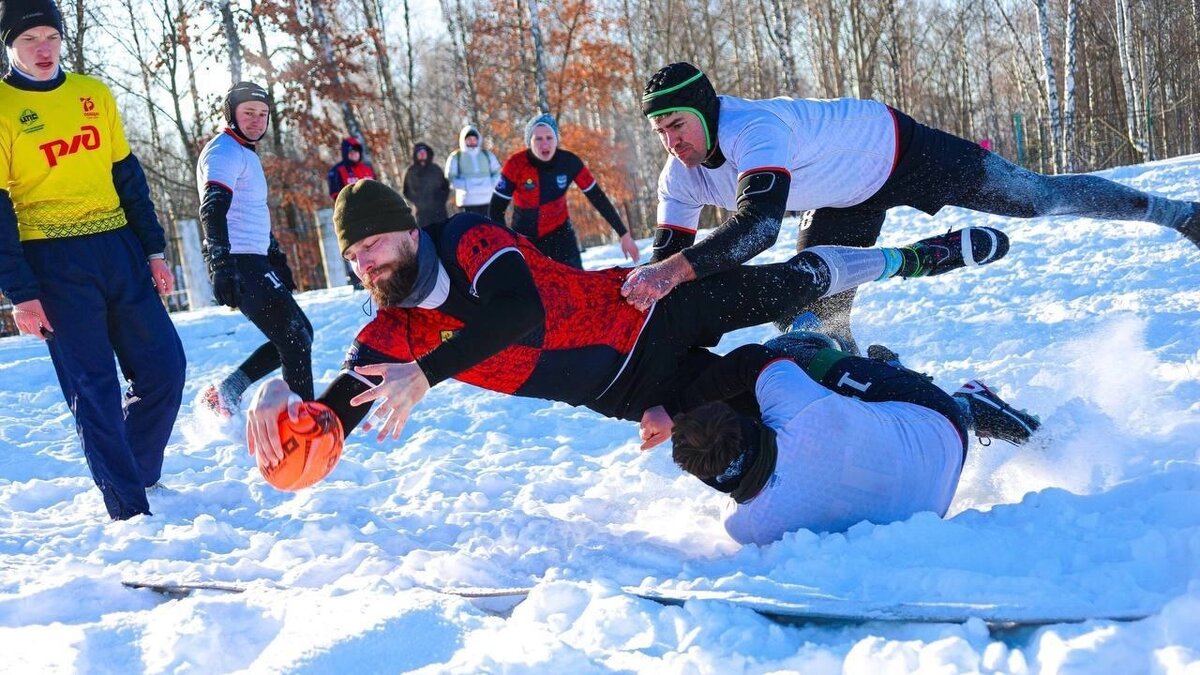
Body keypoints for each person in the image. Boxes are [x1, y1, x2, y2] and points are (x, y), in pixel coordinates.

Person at [244, 179, 1011, 467]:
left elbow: (516, 312)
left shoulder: (466, 239)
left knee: (791, 284)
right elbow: (335, 409)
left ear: (406, 229)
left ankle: (919, 257)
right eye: (352, 257)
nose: (365, 264)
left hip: (649, 307)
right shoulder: (394, 326)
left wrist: (428, 375)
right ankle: (953, 404)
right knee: (777, 416)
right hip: (639, 390)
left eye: (372, 243)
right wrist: (285, 400)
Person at [624, 62, 1200, 352]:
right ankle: (873, 387)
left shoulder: (754, 129)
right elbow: (666, 267)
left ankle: (1179, 214)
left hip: (902, 152)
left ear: (706, 112)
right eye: (660, 131)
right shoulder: (679, 176)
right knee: (812, 311)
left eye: (678, 125)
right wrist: (656, 289)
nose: (673, 141)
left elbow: (759, 229)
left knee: (1037, 198)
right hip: (843, 199)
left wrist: (671, 273)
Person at [0, 0, 186, 520]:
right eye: (29, 38)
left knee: (165, 368)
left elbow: (128, 176)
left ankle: (136, 469)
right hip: (51, 259)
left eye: (50, 37)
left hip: (119, 248)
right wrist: (21, 292)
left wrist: (152, 250)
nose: (43, 48)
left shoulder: (93, 94)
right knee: (94, 387)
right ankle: (129, 510)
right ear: (10, 45)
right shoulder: (2, 107)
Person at [660, 334, 1041, 543]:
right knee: (788, 351)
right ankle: (962, 403)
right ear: (749, 426)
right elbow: (752, 358)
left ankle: (898, 389)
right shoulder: (797, 409)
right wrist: (676, 409)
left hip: (932, 500)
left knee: (845, 426)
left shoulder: (744, 528)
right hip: (934, 420)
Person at [195, 81, 314, 417]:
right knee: (295, 340)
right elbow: (213, 209)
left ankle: (227, 392)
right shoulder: (224, 151)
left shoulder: (244, 152)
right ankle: (302, 423)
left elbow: (251, 212)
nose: (257, 121)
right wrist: (221, 265)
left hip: (255, 258)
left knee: (300, 334)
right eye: (248, 113)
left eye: (263, 115)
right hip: (238, 260)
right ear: (230, 113)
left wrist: (275, 257)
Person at [489, 112, 640, 268]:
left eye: (549, 138)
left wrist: (624, 234)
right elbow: (495, 209)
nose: (544, 144)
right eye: (538, 139)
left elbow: (597, 197)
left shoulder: (569, 162)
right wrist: (505, 243)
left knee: (576, 285)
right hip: (526, 239)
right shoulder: (515, 164)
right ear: (529, 142)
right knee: (534, 290)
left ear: (556, 140)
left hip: (561, 235)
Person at [326, 135, 373, 289]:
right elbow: (335, 194)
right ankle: (356, 278)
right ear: (346, 153)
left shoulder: (367, 168)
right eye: (351, 152)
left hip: (371, 214)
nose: (354, 155)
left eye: (356, 152)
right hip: (350, 216)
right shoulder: (338, 171)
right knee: (354, 247)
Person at [445, 125, 501, 215]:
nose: (472, 141)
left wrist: (490, 183)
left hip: (488, 200)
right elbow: (450, 178)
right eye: (469, 139)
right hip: (467, 201)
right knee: (470, 228)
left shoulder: (487, 155)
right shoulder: (456, 157)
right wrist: (467, 185)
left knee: (488, 227)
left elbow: (497, 172)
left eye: (474, 139)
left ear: (478, 139)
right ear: (463, 140)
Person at [402, 142, 450, 228]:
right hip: (422, 213)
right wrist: (419, 202)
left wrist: (441, 201)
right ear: (415, 155)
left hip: (439, 211)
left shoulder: (436, 169)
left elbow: (445, 186)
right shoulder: (411, 172)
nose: (422, 155)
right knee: (427, 236)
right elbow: (407, 191)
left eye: (424, 152)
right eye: (419, 153)